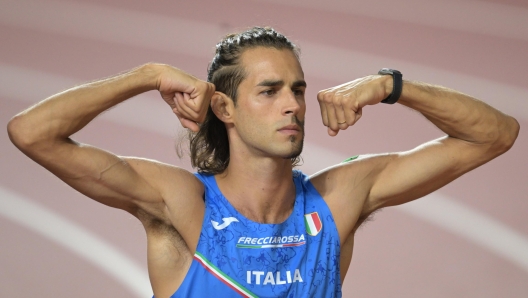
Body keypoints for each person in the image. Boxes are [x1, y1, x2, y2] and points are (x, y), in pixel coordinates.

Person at [7, 27, 519, 297]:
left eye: (296, 89)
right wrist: (144, 76)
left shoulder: (338, 199)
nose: (294, 104)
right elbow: (31, 133)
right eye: (270, 91)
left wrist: (391, 86)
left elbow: (495, 135)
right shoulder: (182, 204)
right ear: (224, 108)